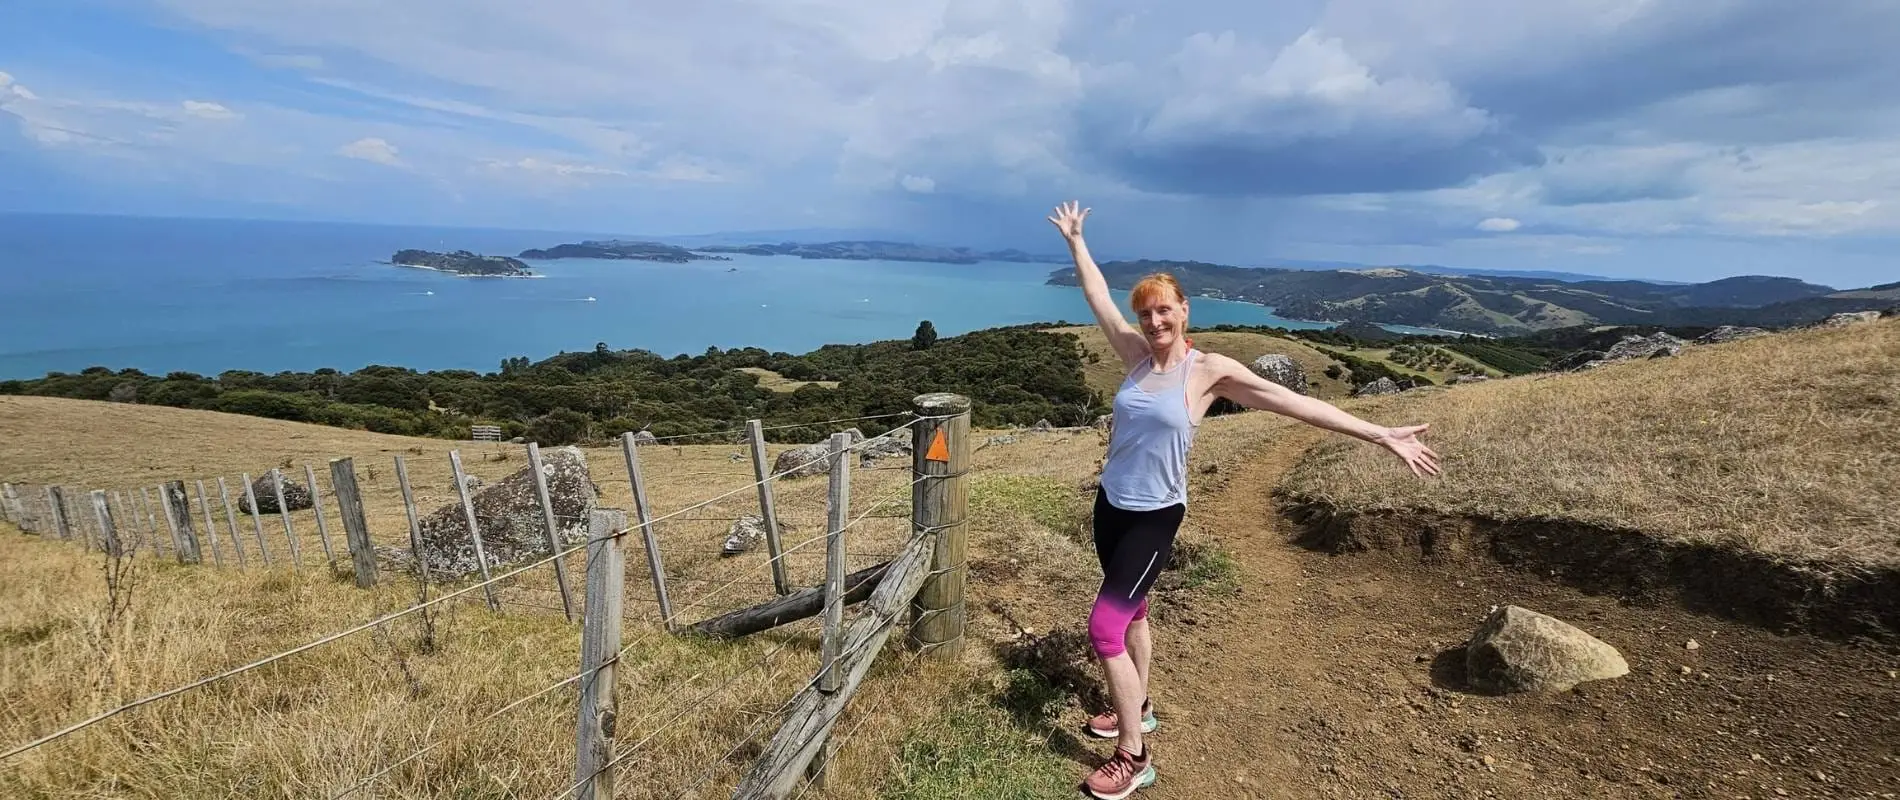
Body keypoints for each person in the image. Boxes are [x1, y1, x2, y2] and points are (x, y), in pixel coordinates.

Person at [1047, 200, 1442, 800]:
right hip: (1111, 507)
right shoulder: (1133, 358)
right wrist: (1077, 241)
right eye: (1146, 313)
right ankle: (1142, 705)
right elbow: (1097, 294)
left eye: (1164, 311)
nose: (1154, 321)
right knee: (1133, 613)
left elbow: (1296, 404)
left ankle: (1134, 755)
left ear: (1184, 311)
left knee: (1104, 626)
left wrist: (1378, 433)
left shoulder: (1207, 371)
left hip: (1156, 515)